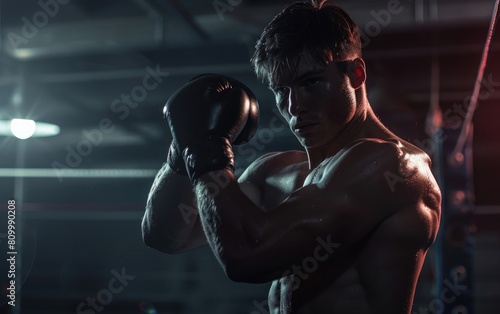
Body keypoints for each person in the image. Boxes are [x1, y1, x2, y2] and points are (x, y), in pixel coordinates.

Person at [141, 1, 442, 313]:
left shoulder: (393, 165)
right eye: (281, 90)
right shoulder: (276, 171)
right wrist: (184, 147)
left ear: (355, 74)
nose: (294, 106)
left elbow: (247, 258)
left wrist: (208, 152)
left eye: (310, 83)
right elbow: (166, 235)